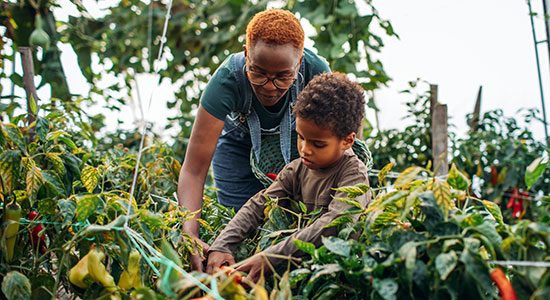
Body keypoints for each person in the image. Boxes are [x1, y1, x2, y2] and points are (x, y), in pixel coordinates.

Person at [177, 8, 330, 272]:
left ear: (300, 62)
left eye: (283, 76)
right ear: (246, 55)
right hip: (238, 146)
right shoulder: (227, 80)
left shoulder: (317, 73)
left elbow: (338, 147)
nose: (270, 87)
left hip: (298, 144)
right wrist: (189, 234)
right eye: (257, 73)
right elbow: (193, 170)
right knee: (241, 231)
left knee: (301, 223)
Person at [205, 72, 371, 282]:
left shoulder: (353, 174)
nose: (305, 150)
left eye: (318, 144)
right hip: (303, 268)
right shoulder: (297, 169)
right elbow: (260, 204)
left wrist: (272, 255)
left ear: (347, 141)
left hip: (341, 274)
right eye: (301, 137)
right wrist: (222, 244)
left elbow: (334, 224)